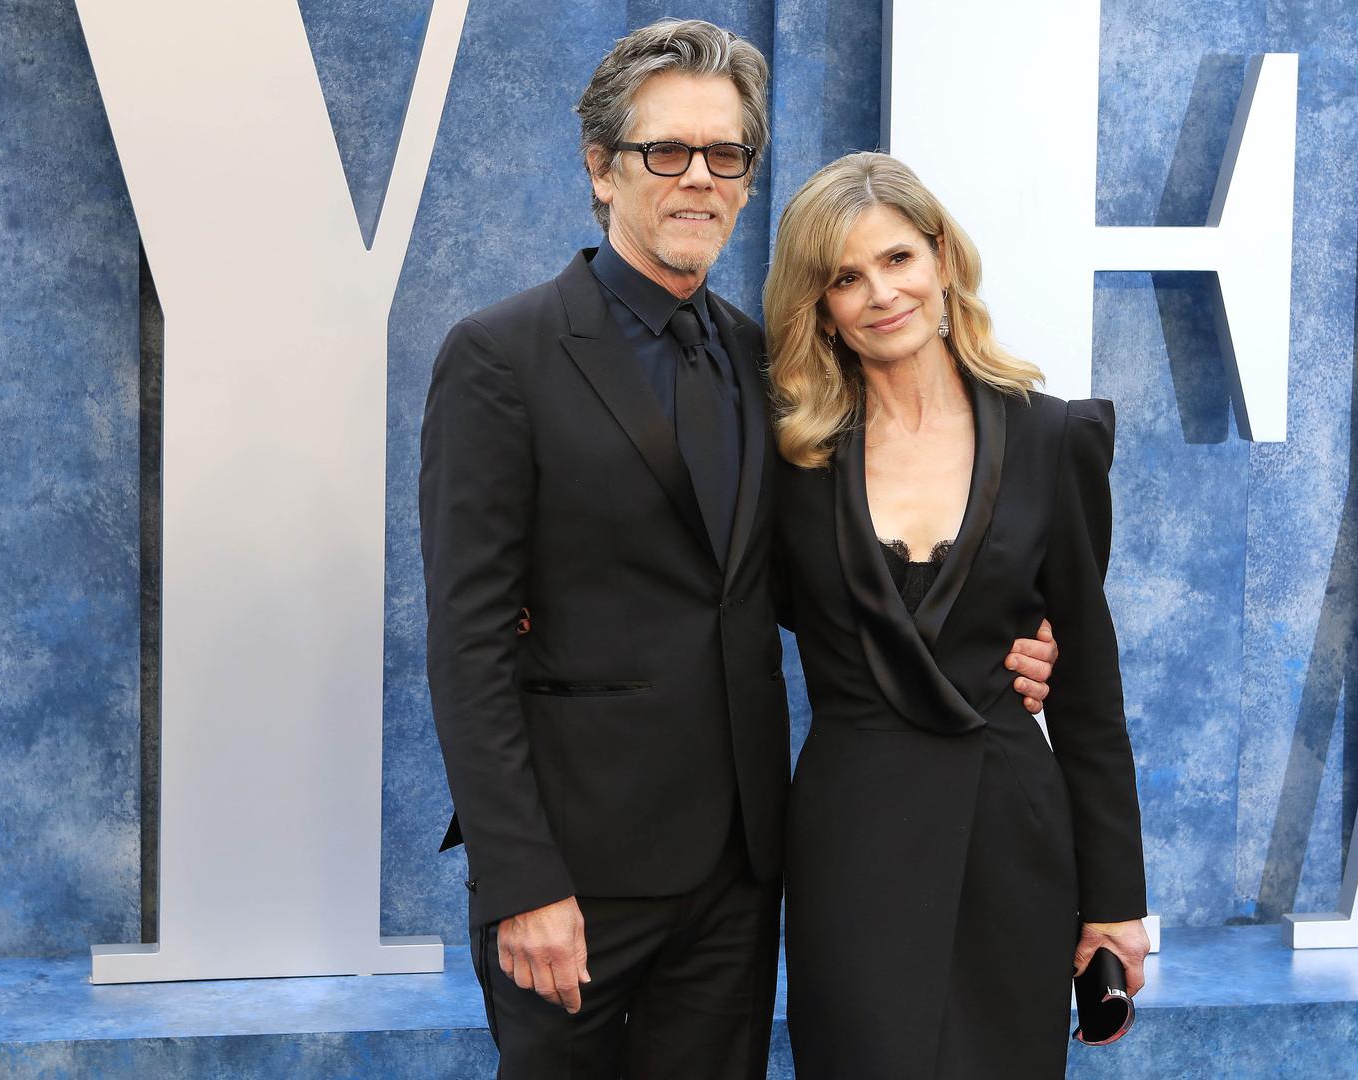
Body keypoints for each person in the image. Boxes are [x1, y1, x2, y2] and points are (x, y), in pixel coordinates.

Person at [417, 22, 1058, 1079]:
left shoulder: (770, 365)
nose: (698, 178)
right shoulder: (500, 357)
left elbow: (825, 587)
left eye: (725, 155)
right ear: (601, 169)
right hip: (575, 872)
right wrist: (519, 878)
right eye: (666, 151)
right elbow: (467, 641)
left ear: (748, 180)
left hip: (742, 870)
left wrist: (1009, 639)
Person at [763, 152, 1151, 1080]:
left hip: (1010, 830)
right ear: (818, 305)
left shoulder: (1054, 438)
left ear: (941, 257)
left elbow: (1087, 693)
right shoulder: (788, 457)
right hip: (852, 839)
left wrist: (1114, 900)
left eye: (897, 258)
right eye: (844, 278)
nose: (880, 294)